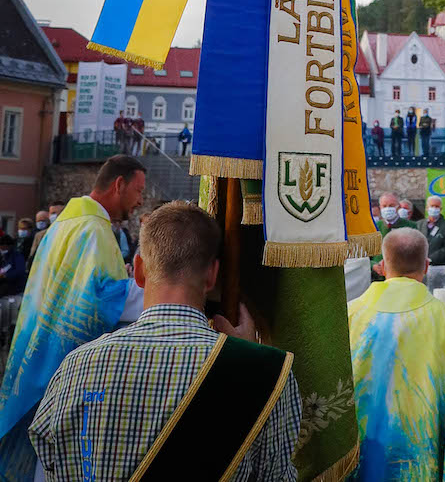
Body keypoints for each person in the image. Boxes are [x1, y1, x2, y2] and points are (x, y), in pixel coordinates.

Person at [31, 200, 299, 482]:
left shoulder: (76, 367)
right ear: (212, 275)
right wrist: (248, 357)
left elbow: (50, 463)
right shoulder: (262, 372)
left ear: (138, 270)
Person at [0, 156, 146, 481]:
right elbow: (94, 298)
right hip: (64, 364)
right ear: (118, 185)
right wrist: (157, 289)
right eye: (138, 190)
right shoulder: (92, 229)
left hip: (39, 346)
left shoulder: (64, 223)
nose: (139, 201)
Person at [349, 228, 445, 482]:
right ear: (426, 266)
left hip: (366, 449)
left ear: (381, 265)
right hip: (427, 448)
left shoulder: (349, 315)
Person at [419, 195, 445, 292]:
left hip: (438, 268)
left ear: (440, 209)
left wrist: (430, 259)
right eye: (432, 206)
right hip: (420, 269)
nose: (434, 209)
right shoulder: (419, 224)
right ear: (427, 208)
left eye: (437, 206)